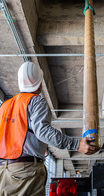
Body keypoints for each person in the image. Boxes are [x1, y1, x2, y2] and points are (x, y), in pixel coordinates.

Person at [0, 62, 96, 195]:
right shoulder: (35, 101)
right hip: (25, 172)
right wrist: (77, 144)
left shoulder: (4, 106)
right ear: (40, 83)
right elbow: (43, 132)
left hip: (3, 171)